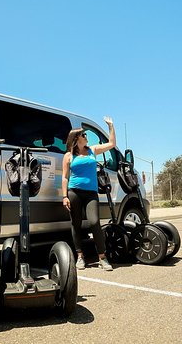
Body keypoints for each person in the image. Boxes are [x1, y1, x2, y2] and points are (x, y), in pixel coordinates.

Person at [62, 116, 116, 271]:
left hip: (91, 193)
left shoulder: (92, 150)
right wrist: (64, 196)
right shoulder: (68, 156)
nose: (87, 137)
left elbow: (112, 144)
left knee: (94, 222)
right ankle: (80, 256)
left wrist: (111, 126)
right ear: (76, 138)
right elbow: (65, 178)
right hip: (74, 193)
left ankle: (102, 257)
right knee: (76, 224)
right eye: (84, 135)